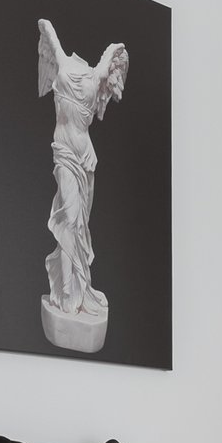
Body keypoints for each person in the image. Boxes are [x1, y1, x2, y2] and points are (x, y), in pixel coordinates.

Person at [35, 18, 129, 352]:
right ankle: (66, 297)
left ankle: (76, 292)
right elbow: (45, 30)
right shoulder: (59, 55)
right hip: (63, 149)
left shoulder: (99, 71)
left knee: (81, 226)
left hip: (85, 154)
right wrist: (47, 29)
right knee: (69, 218)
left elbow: (115, 61)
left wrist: (115, 55)